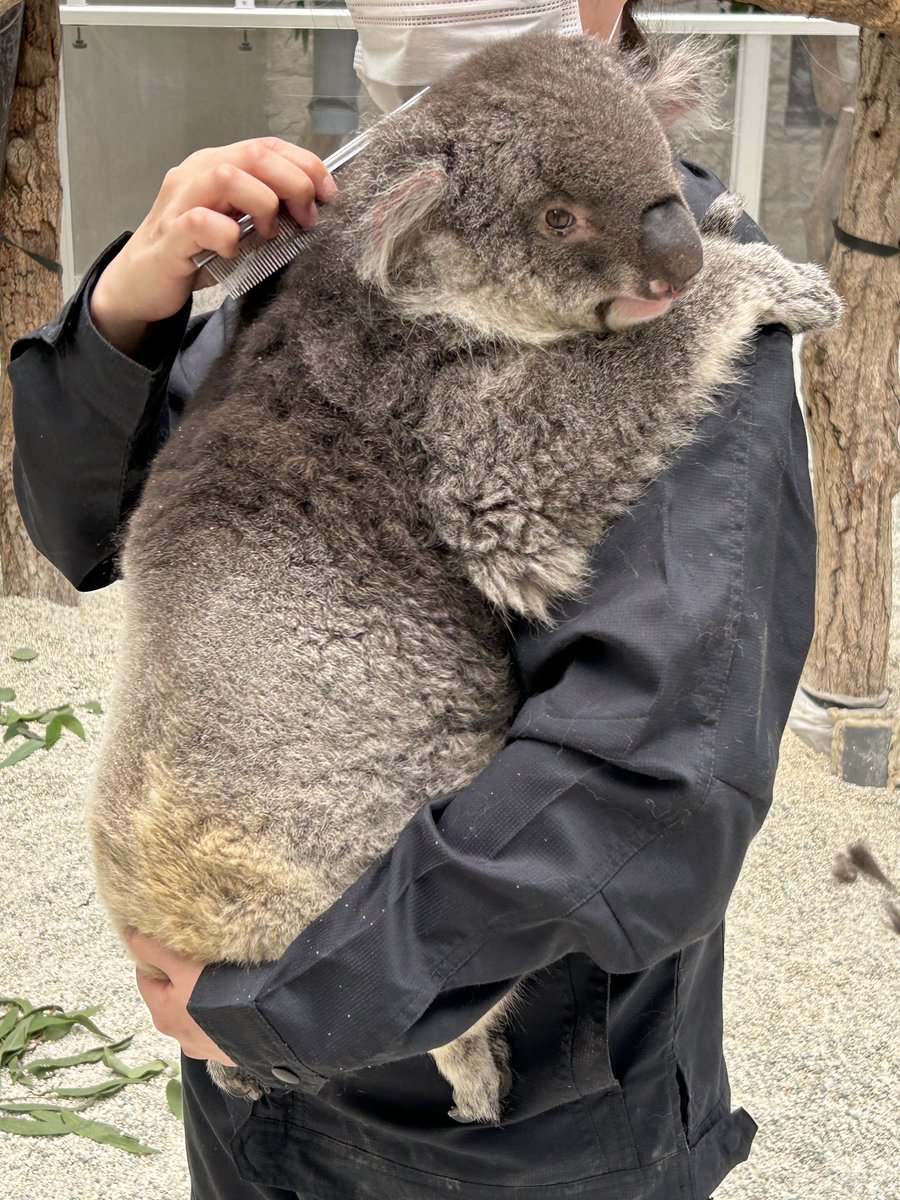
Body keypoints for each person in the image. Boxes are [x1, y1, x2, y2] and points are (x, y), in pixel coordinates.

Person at [8, 2, 815, 1198]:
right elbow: (88, 536)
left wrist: (275, 1005)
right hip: (243, 1086)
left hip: (509, 1130)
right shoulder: (334, 213)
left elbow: (653, 779)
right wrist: (130, 312)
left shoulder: (683, 293)